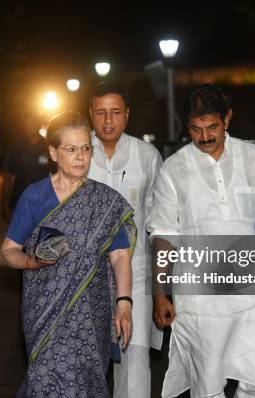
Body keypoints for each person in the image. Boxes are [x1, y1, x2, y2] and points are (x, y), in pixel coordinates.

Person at [149, 84, 255, 398]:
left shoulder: (254, 158)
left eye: (212, 127)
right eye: (196, 129)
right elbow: (163, 234)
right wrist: (160, 293)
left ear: (227, 118)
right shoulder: (174, 170)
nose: (205, 137)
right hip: (200, 297)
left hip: (252, 287)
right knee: (207, 385)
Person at [1, 111, 134, 397]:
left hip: (91, 313)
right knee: (45, 381)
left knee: (87, 383)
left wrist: (124, 303)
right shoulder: (35, 196)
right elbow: (9, 250)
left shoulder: (104, 201)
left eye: (86, 148)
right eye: (71, 149)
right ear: (52, 152)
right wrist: (32, 261)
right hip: (43, 311)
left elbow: (120, 255)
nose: (80, 157)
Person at [87, 81, 163, 398]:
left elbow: (159, 218)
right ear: (90, 115)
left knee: (135, 362)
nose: (108, 121)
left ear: (127, 115)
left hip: (137, 274)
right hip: (86, 277)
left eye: (115, 112)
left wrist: (163, 285)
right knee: (86, 362)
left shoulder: (146, 156)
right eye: (101, 113)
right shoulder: (77, 153)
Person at [1, 111, 50, 221]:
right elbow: (8, 178)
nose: (28, 127)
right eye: (26, 124)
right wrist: (4, 205)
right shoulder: (15, 147)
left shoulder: (48, 147)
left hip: (43, 205)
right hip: (19, 204)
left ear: (38, 124)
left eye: (32, 124)